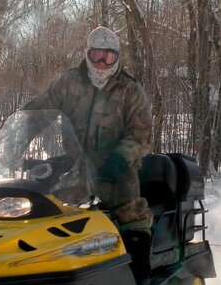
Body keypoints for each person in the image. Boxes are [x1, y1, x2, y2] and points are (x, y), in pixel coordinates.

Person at [25, 26, 153, 234]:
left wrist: (119, 159)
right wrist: (19, 136)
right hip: (78, 165)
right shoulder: (69, 82)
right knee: (49, 207)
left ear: (117, 58)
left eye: (108, 57)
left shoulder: (129, 89)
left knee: (132, 215)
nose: (101, 63)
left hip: (118, 169)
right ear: (87, 54)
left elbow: (141, 133)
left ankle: (140, 263)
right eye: (97, 55)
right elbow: (40, 110)